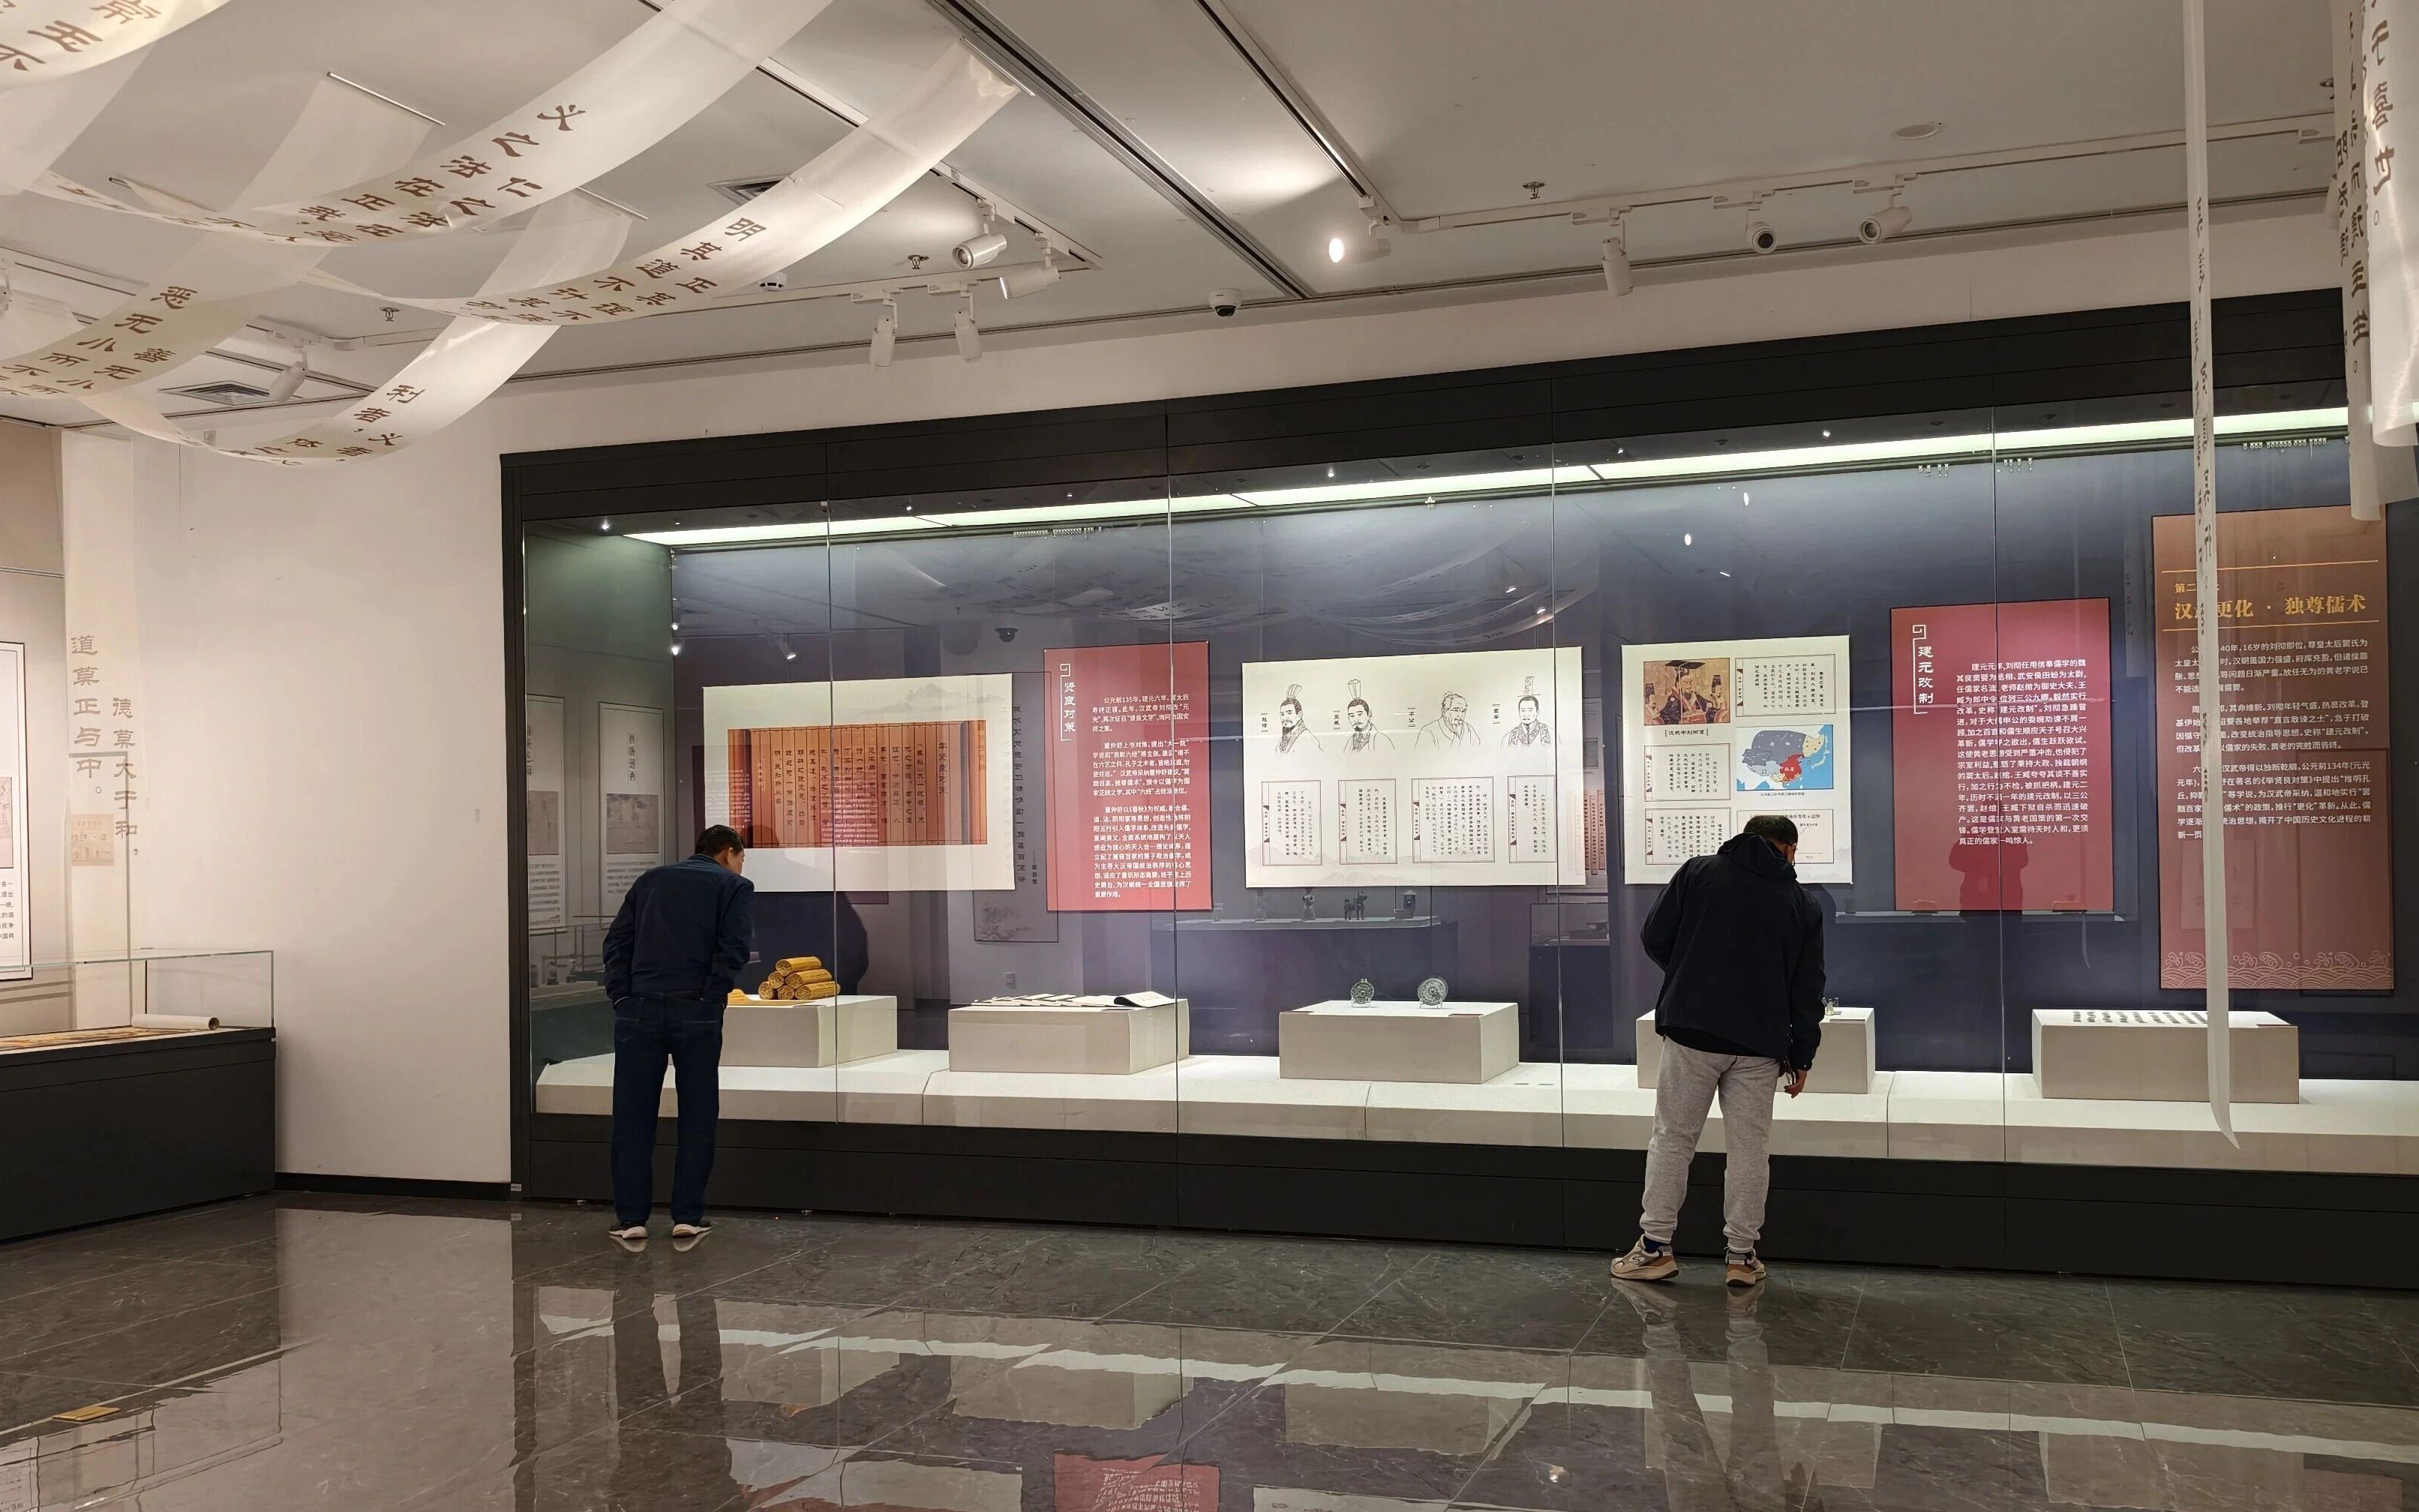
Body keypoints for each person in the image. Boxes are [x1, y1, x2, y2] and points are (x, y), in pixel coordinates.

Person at [1613, 814, 1823, 1288]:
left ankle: (1655, 1248)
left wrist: (1689, 975)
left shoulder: (1698, 872)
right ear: (1789, 849)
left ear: (1744, 837)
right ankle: (1742, 1257)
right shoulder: (1801, 902)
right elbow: (1807, 986)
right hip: (1759, 1044)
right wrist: (1802, 1055)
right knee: (1750, 1149)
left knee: (1673, 1139)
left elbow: (1654, 936)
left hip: (1693, 1031)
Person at [602, 824, 755, 1250]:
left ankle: (631, 1219)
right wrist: (711, 997)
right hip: (696, 1012)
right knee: (698, 1114)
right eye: (741, 858)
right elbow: (734, 949)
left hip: (639, 1009)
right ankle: (687, 1216)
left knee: (632, 1116)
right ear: (728, 852)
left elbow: (617, 942)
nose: (741, 866)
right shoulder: (734, 887)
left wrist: (621, 996)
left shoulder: (651, 880)